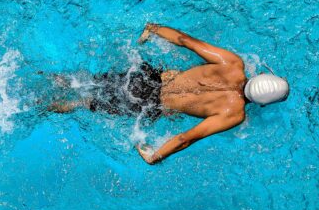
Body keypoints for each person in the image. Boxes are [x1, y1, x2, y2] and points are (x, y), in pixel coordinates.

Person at [48, 23, 289, 165]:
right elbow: (186, 138)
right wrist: (155, 156)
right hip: (149, 105)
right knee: (84, 102)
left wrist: (153, 29)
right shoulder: (234, 114)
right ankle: (42, 106)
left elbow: (186, 40)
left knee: (82, 81)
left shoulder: (233, 64)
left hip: (148, 77)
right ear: (262, 104)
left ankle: (47, 76)